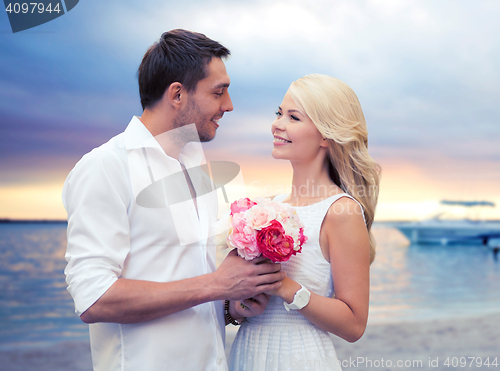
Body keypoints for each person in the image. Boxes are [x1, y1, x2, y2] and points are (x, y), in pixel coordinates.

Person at [63, 29, 284, 371]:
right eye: (218, 92)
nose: (229, 105)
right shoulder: (106, 166)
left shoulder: (195, 163)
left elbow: (192, 282)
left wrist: (231, 306)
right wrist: (216, 285)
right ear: (177, 94)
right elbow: (94, 299)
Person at [228, 74, 381, 370]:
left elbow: (354, 325)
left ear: (326, 135)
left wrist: (286, 288)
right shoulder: (267, 206)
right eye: (279, 113)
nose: (277, 124)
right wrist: (241, 305)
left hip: (299, 358)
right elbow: (244, 301)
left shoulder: (341, 211)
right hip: (247, 353)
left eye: (293, 117)